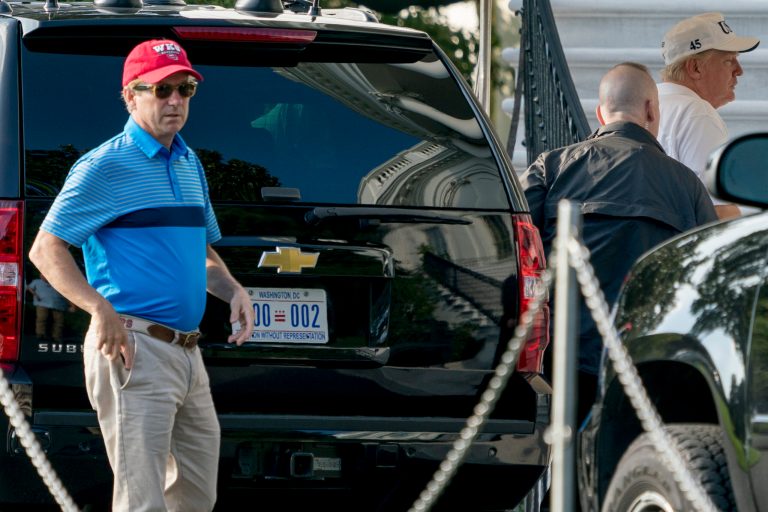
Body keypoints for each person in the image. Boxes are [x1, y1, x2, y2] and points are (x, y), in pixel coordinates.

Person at [28, 39, 255, 512]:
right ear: (131, 96)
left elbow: (201, 251)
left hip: (188, 354)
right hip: (133, 349)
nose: (175, 100)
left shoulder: (190, 163)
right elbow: (45, 249)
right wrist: (99, 309)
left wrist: (232, 289)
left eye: (185, 89)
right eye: (161, 89)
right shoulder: (104, 166)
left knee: (195, 495)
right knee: (142, 500)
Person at [521, 62, 718, 425]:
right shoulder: (687, 185)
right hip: (649, 366)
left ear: (601, 113)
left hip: (562, 359)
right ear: (651, 110)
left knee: (561, 465)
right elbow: (710, 278)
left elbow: (510, 244)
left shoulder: (551, 167)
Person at [657, 12, 760, 219]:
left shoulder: (650, 100)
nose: (739, 71)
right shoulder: (698, 114)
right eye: (729, 60)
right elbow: (715, 214)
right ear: (695, 68)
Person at [26, 274, 74, 342]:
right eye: (42, 275)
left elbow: (67, 294)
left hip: (58, 304)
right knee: (42, 318)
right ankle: (40, 334)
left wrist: (72, 305)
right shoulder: (37, 282)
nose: (44, 277)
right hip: (42, 303)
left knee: (59, 321)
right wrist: (35, 294)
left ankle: (56, 336)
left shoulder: (58, 283)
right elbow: (29, 288)